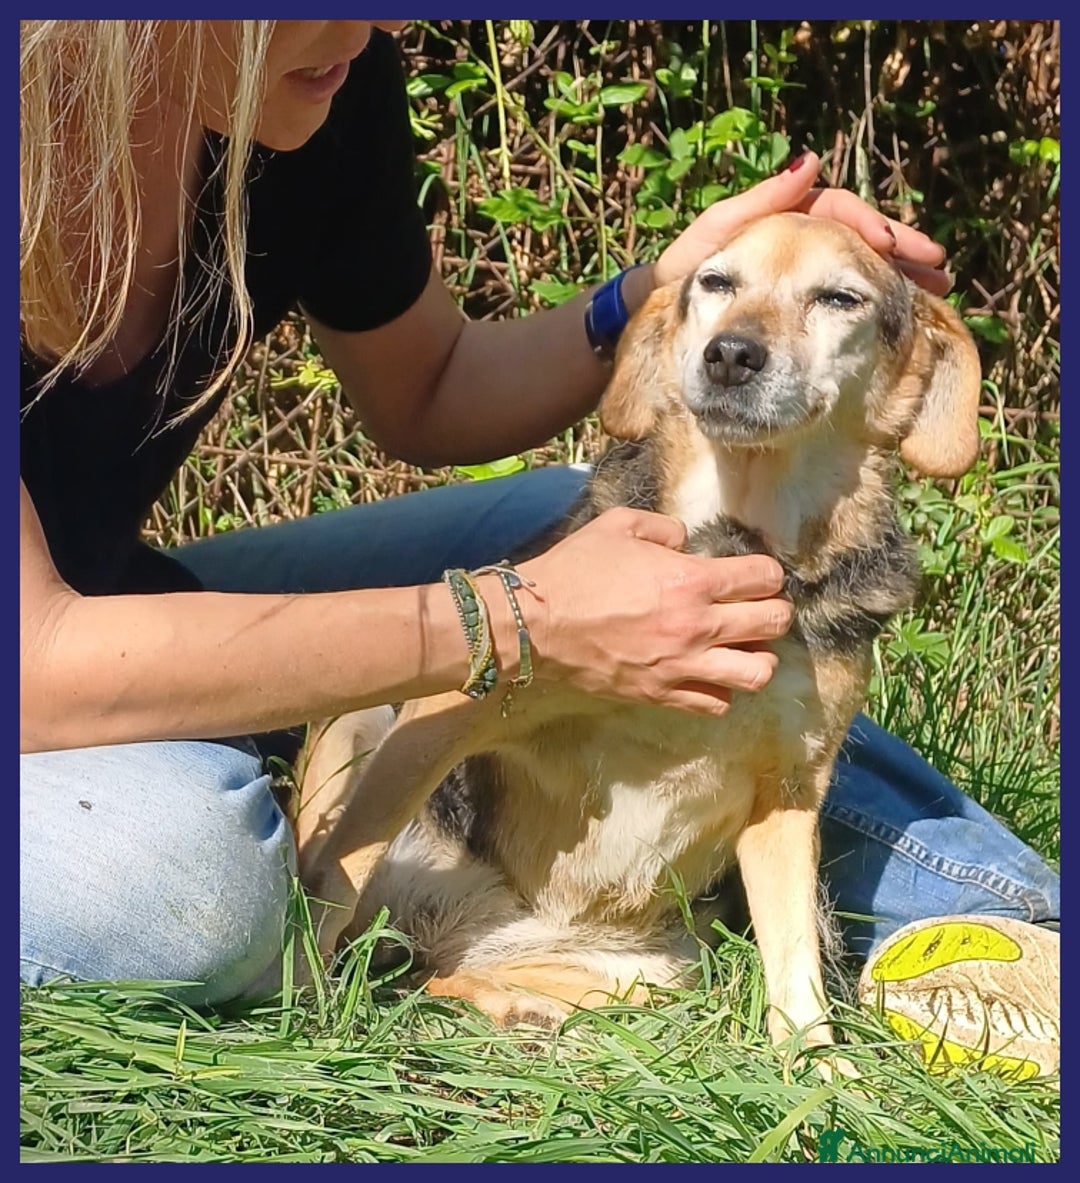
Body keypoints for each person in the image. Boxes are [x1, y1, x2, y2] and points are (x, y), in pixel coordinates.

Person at [19, 20, 1058, 1077]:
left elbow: (429, 387)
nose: (382, 27)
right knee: (183, 880)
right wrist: (524, 621)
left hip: (120, 595)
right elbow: (32, 663)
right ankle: (304, 843)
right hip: (37, 661)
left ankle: (992, 930)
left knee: (642, 545)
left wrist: (674, 281)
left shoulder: (316, 80)